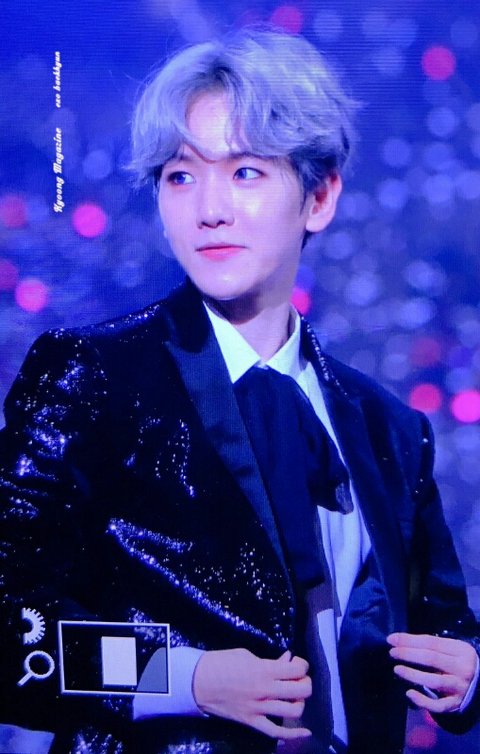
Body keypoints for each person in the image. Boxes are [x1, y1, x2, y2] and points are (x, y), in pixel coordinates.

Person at [1, 27, 479, 754]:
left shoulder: (388, 427)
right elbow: (11, 623)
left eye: (246, 172)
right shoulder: (94, 377)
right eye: (180, 176)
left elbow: (446, 623)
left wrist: (468, 671)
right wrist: (182, 677)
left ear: (319, 197)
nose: (209, 208)